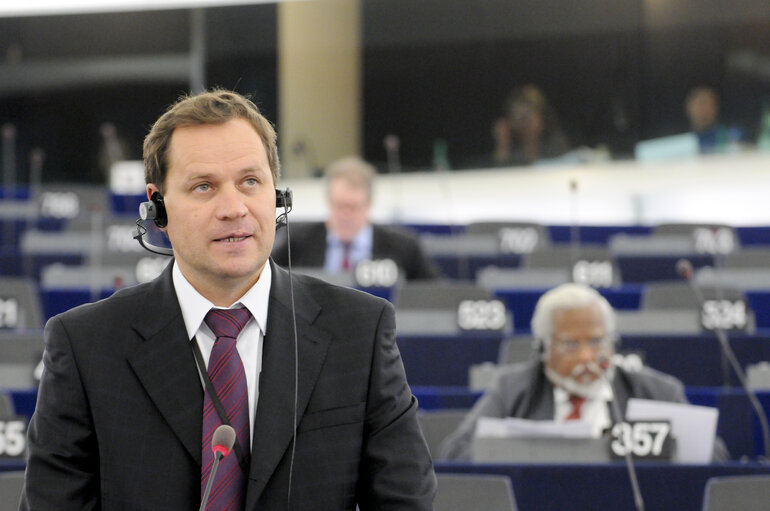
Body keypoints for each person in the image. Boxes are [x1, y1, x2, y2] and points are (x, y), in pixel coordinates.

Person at [21, 89, 436, 510]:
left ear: (278, 195)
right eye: (204, 186)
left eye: (250, 182)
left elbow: (405, 502)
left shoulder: (361, 330)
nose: (234, 208)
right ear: (158, 209)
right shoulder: (85, 345)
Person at [439, 283, 726, 461]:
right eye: (571, 344)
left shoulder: (657, 391)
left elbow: (714, 454)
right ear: (544, 348)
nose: (587, 356)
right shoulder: (512, 389)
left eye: (597, 341)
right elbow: (456, 453)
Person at [271, 155, 441, 281]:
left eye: (354, 207)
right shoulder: (297, 242)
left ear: (369, 205)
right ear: (328, 201)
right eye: (340, 206)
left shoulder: (404, 247)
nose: (346, 215)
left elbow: (433, 295)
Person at [492, 84, 570, 166]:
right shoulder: (511, 145)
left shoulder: (555, 141)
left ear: (541, 116)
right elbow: (499, 173)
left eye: (526, 117)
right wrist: (502, 145)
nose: (523, 124)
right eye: (516, 118)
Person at [684, 85, 741, 154]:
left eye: (707, 103)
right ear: (689, 107)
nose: (703, 109)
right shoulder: (680, 139)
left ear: (715, 107)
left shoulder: (731, 135)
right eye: (699, 104)